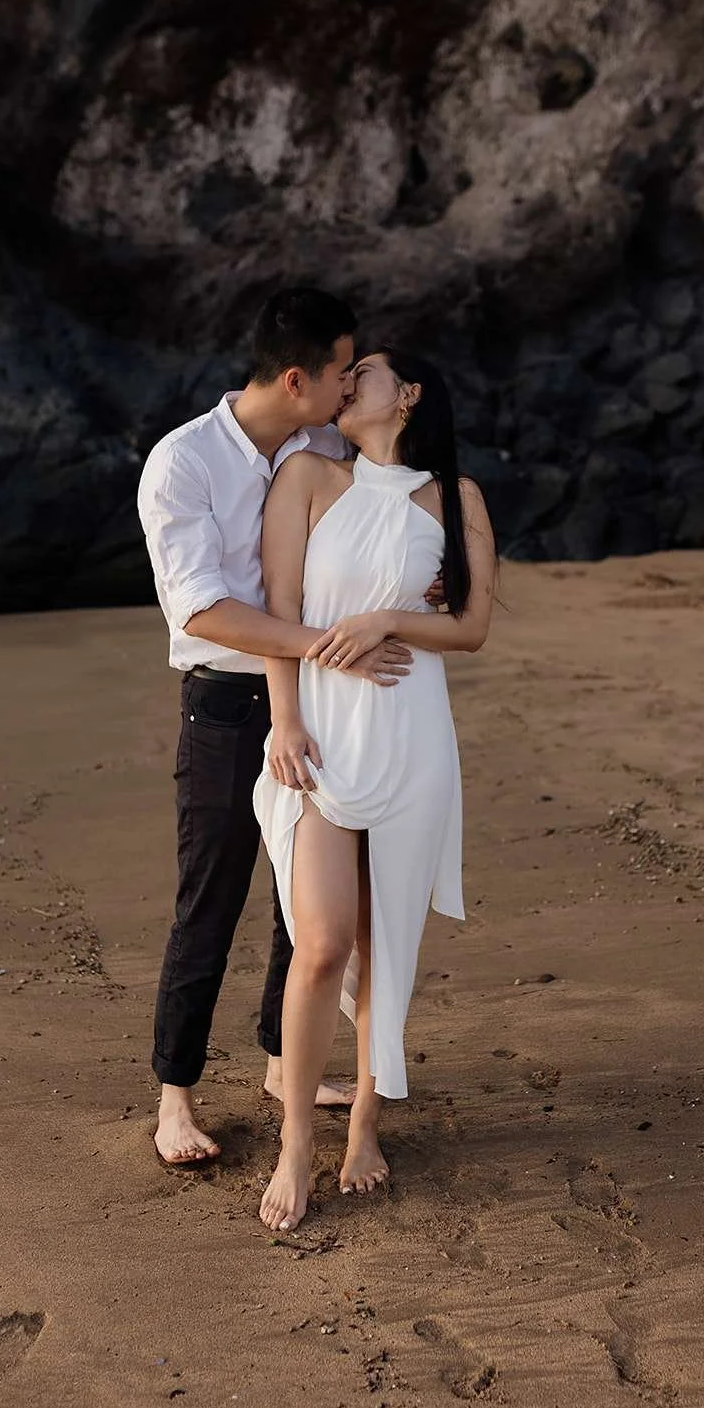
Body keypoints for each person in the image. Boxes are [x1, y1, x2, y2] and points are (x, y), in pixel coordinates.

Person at [137, 290, 417, 1166]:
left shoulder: (321, 446)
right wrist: (330, 645)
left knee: (303, 902)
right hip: (226, 703)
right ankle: (174, 1099)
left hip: (321, 697)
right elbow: (203, 610)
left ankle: (278, 1061)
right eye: (340, 372)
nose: (348, 387)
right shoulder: (182, 462)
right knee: (210, 898)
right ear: (295, 379)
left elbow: (375, 526)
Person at [253, 348, 496, 1231]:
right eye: (342, 374)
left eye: (367, 372)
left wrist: (388, 619)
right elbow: (278, 608)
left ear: (411, 395)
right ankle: (294, 1143)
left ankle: (363, 1124)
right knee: (320, 945)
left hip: (412, 737)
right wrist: (284, 720)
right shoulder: (308, 477)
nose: (348, 381)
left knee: (386, 942)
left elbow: (470, 627)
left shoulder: (455, 498)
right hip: (320, 734)